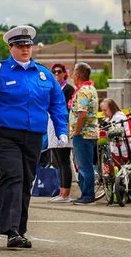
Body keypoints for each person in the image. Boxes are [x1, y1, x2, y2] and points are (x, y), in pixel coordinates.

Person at [0, 25, 68, 249]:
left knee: (26, 181)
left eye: (28, 45)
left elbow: (57, 103)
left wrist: (61, 129)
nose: (25, 49)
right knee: (13, 176)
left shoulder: (43, 74)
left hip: (33, 136)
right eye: (19, 45)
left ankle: (19, 230)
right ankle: (12, 230)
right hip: (3, 135)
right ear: (10, 47)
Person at [69, 62, 100, 205]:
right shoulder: (91, 89)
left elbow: (82, 114)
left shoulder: (82, 92)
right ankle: (85, 194)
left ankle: (88, 195)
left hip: (83, 134)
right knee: (86, 164)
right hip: (91, 133)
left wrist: (76, 132)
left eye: (73, 73)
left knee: (84, 166)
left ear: (77, 75)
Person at [47, 62, 75, 203]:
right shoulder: (52, 88)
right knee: (56, 160)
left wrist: (68, 127)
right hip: (51, 125)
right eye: (54, 72)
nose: (56, 74)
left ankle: (66, 193)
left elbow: (70, 110)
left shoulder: (68, 89)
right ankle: (61, 191)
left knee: (64, 160)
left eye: (59, 71)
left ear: (65, 73)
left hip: (63, 124)